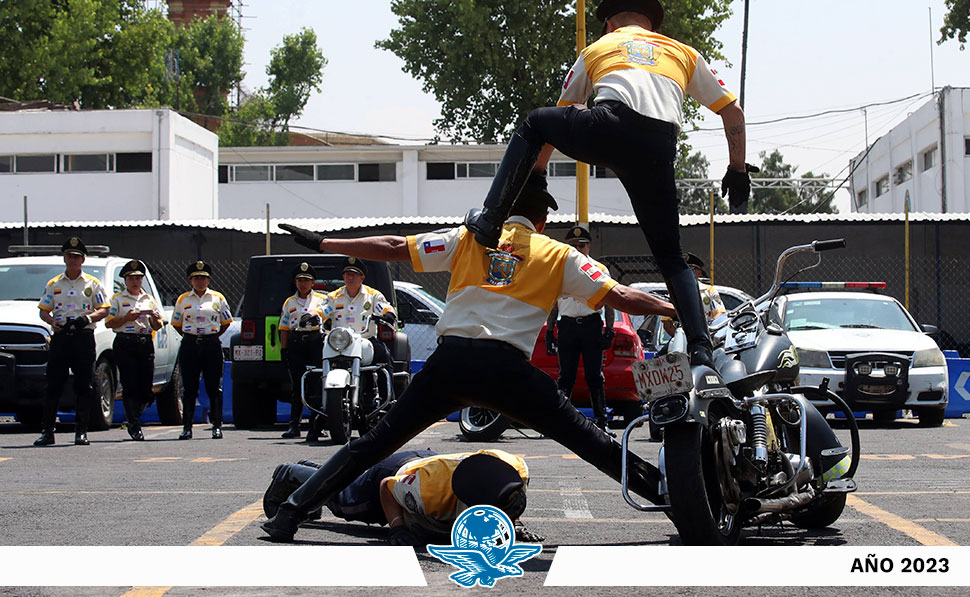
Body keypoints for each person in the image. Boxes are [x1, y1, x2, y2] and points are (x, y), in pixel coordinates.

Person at [264, 180, 677, 543]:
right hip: (508, 372)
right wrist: (672, 309)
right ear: (543, 221)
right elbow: (621, 297)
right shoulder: (559, 254)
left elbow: (392, 247)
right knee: (592, 441)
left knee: (372, 445)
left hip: (451, 364)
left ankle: (291, 513)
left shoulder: (468, 238)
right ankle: (675, 500)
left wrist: (323, 243)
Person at [463, 0, 755, 371]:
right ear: (651, 24)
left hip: (609, 126)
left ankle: (491, 218)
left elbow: (557, 120)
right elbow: (733, 112)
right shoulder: (685, 53)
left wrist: (535, 181)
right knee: (671, 256)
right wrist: (737, 168)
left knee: (536, 122)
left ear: (610, 23)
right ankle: (700, 349)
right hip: (658, 148)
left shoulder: (598, 48)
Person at [263, 449, 542, 545]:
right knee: (343, 500)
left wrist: (513, 524)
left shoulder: (515, 468)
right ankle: (292, 474)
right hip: (396, 474)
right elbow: (387, 487)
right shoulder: (429, 493)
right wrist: (397, 526)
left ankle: (316, 472)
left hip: (433, 464)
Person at [34, 237, 110, 446]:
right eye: (69, 256)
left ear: (83, 259)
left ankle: (81, 431)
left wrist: (87, 318)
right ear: (65, 259)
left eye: (76, 257)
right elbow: (43, 310)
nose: (73, 260)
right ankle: (48, 431)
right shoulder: (54, 283)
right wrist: (52, 322)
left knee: (84, 385)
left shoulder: (92, 284)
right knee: (53, 385)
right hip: (61, 337)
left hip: (83, 337)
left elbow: (105, 308)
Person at [544, 225, 615, 435]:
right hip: (567, 326)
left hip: (591, 325)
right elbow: (553, 305)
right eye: (572, 245)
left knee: (595, 376)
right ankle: (558, 421)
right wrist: (549, 331)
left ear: (589, 246)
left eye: (581, 245)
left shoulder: (599, 269)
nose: (577, 249)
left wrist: (609, 331)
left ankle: (602, 422)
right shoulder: (559, 270)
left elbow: (610, 302)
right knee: (566, 376)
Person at [321, 257, 398, 409]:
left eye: (354, 274)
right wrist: (310, 316)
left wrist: (389, 314)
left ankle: (388, 403)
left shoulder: (373, 295)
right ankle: (319, 412)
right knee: (317, 364)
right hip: (339, 344)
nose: (350, 278)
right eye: (347, 274)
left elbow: (385, 307)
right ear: (343, 276)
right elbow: (322, 310)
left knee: (384, 357)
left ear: (362, 277)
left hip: (365, 341)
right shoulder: (333, 297)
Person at [171, 261, 232, 440]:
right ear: (191, 280)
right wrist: (192, 336)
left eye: (204, 278)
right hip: (190, 344)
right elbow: (177, 323)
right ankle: (187, 427)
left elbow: (225, 322)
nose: (200, 282)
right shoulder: (183, 299)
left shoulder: (217, 298)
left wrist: (210, 335)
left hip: (211, 343)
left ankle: (216, 425)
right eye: (197, 278)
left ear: (209, 280)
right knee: (189, 387)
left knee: (214, 386)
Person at [104, 260, 164, 441]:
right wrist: (126, 318)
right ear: (125, 280)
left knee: (146, 389)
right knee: (130, 384)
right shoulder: (117, 299)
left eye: (138, 278)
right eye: (131, 278)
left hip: (144, 342)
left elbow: (158, 324)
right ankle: (134, 424)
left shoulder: (149, 299)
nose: (135, 281)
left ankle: (133, 416)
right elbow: (109, 323)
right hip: (125, 342)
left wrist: (154, 320)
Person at [277, 262, 328, 440]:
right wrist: (284, 350)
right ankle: (294, 425)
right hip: (296, 342)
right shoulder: (289, 302)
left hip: (316, 342)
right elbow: (283, 328)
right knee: (298, 384)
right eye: (300, 280)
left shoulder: (322, 300)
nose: (303, 284)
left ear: (313, 283)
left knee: (316, 384)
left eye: (306, 280)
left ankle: (318, 424)